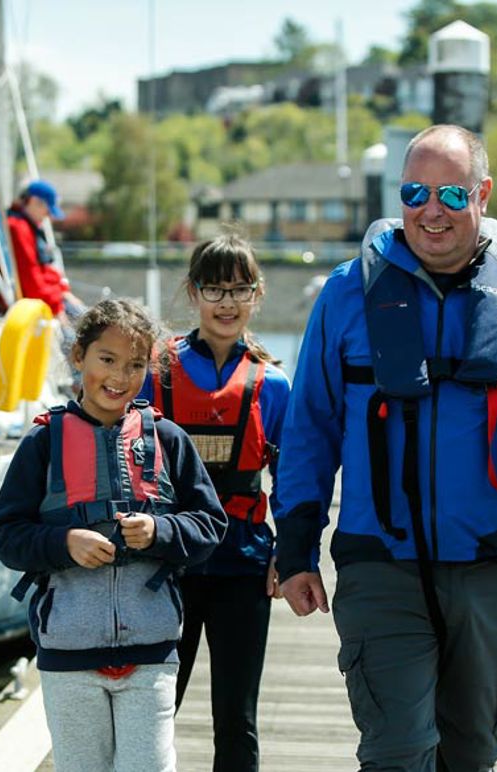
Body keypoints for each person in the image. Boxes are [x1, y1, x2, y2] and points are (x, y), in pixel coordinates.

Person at [276, 124, 497, 771]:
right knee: (397, 751)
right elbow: (310, 427)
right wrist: (296, 545)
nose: (430, 210)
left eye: (450, 194)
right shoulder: (347, 295)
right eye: (414, 192)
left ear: (482, 194)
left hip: (490, 564)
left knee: (473, 751)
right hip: (379, 563)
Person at [0, 297, 227, 772]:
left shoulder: (168, 440)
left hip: (151, 654)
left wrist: (160, 530)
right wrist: (63, 544)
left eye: (136, 365)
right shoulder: (41, 443)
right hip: (68, 655)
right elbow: (6, 535)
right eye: (107, 359)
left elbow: (210, 524)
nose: (119, 376)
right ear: (79, 357)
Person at [140, 233, 290, 772]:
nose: (227, 302)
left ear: (257, 295)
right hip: (166, 565)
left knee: (236, 718)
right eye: (214, 289)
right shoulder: (155, 374)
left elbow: (290, 477)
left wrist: (289, 553)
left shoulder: (273, 385)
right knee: (154, 710)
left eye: (240, 289)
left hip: (242, 563)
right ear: (193, 293)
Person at [2, 179, 84, 321]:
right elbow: (31, 282)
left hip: (46, 298)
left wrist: (63, 291)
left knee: (88, 319)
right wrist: (57, 308)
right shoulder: (17, 229)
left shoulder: (24, 227)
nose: (48, 216)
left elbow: (41, 271)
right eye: (47, 210)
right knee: (78, 332)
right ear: (34, 202)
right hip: (31, 307)